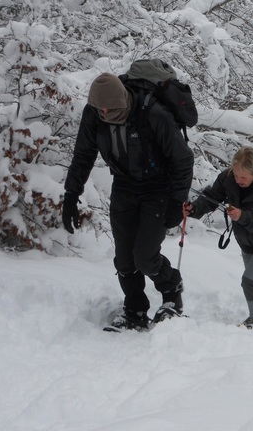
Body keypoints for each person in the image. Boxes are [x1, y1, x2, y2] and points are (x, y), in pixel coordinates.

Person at [62, 72, 194, 330]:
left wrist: (176, 202)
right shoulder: (94, 115)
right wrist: (70, 195)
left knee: (145, 257)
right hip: (124, 185)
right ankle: (134, 309)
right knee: (124, 259)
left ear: (123, 100)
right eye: (100, 109)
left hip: (158, 188)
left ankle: (172, 291)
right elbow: (83, 155)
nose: (105, 112)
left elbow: (183, 159)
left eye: (110, 108)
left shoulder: (153, 114)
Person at [184, 146, 253, 329]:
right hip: (246, 240)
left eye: (244, 177)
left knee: (250, 279)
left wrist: (243, 216)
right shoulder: (227, 178)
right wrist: (194, 209)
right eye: (236, 174)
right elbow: (211, 197)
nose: (238, 180)